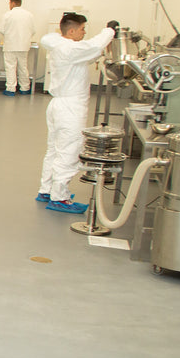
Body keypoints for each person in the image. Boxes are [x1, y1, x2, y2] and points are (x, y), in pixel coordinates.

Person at [36, 14, 117, 213]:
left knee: (54, 150)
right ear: (71, 31)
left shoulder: (61, 45)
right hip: (70, 109)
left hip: (58, 105)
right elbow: (95, 45)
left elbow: (89, 52)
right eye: (82, 29)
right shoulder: (70, 49)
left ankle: (47, 190)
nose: (84, 32)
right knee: (69, 152)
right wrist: (110, 30)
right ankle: (59, 198)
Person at [0, 0, 36, 96]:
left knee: (10, 67)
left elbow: (1, 29)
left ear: (12, 3)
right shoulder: (29, 15)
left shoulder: (7, 15)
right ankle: (25, 88)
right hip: (24, 45)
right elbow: (33, 31)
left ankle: (10, 89)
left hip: (10, 45)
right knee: (23, 67)